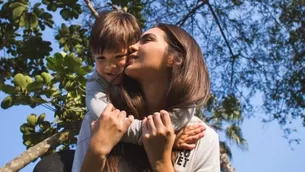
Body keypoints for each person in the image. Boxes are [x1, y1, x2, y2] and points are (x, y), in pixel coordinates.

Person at [72, 11, 206, 172]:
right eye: (100, 58)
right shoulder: (100, 120)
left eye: (147, 40)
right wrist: (97, 151)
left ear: (175, 58)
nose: (134, 47)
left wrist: (161, 160)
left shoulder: (198, 134)